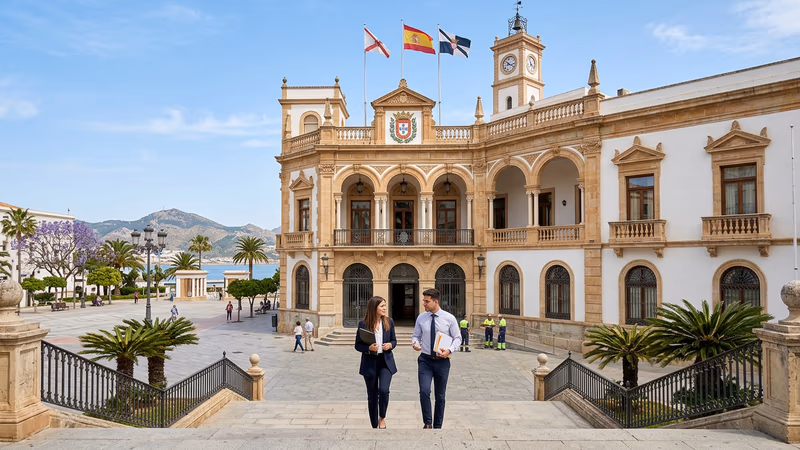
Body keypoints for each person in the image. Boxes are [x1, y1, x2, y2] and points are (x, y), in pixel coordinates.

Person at [412, 288, 461, 429]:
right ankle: (427, 423)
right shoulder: (421, 318)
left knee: (440, 396)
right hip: (425, 360)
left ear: (436, 301)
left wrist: (449, 350)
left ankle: (438, 426)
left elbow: (457, 338)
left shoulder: (449, 318)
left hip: (442, 362)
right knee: (424, 391)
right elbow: (416, 335)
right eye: (424, 301)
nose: (424, 304)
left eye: (427, 301)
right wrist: (414, 343)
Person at [354, 296, 397, 429]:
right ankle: (373, 423)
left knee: (384, 391)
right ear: (374, 308)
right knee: (372, 395)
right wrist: (368, 348)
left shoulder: (389, 322)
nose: (384, 308)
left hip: (385, 362)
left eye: (385, 305)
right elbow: (357, 345)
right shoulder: (363, 324)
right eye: (382, 306)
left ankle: (382, 417)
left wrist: (390, 345)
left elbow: (394, 341)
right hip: (370, 363)